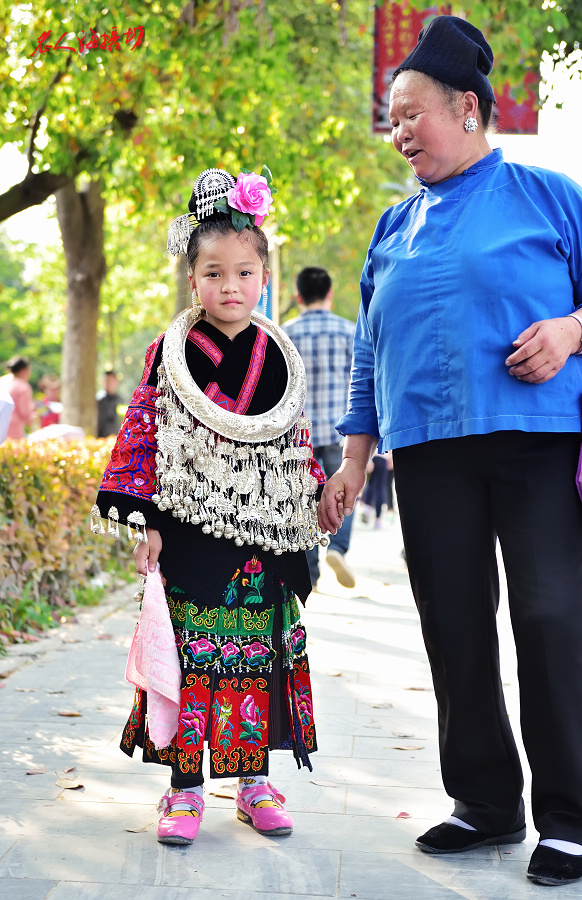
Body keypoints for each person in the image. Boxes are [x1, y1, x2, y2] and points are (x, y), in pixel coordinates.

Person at [318, 15, 582, 888]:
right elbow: (367, 356)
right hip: (426, 454)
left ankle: (571, 817)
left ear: (467, 108)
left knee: (549, 618)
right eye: (391, 117)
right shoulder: (392, 229)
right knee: (454, 627)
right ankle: (487, 802)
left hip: (536, 443)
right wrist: (353, 463)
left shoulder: (549, 197)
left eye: (410, 113)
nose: (397, 131)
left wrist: (572, 329)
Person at [91, 166, 326, 847]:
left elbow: (293, 441)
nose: (231, 287)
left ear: (265, 276)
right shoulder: (169, 353)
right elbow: (145, 436)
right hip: (190, 536)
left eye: (245, 273)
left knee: (254, 659)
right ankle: (184, 791)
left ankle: (253, 784)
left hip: (263, 542)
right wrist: (145, 524)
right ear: (192, 279)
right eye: (215, 273)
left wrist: (318, 494)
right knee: (193, 659)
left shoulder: (277, 355)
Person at [284, 267, 356, 589]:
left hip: (299, 434)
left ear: (298, 297)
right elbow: (360, 385)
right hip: (340, 433)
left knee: (304, 500)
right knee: (345, 492)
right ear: (330, 293)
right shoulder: (348, 331)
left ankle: (310, 574)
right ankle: (338, 548)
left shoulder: (284, 334)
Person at [0, 356, 36, 439]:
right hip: (13, 432)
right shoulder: (23, 387)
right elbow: (25, 414)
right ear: (24, 370)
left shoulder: (1, 381)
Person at [96, 370, 121, 438]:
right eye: (106, 381)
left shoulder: (119, 400)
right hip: (100, 438)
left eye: (111, 381)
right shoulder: (99, 400)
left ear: (116, 382)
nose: (109, 383)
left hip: (115, 437)